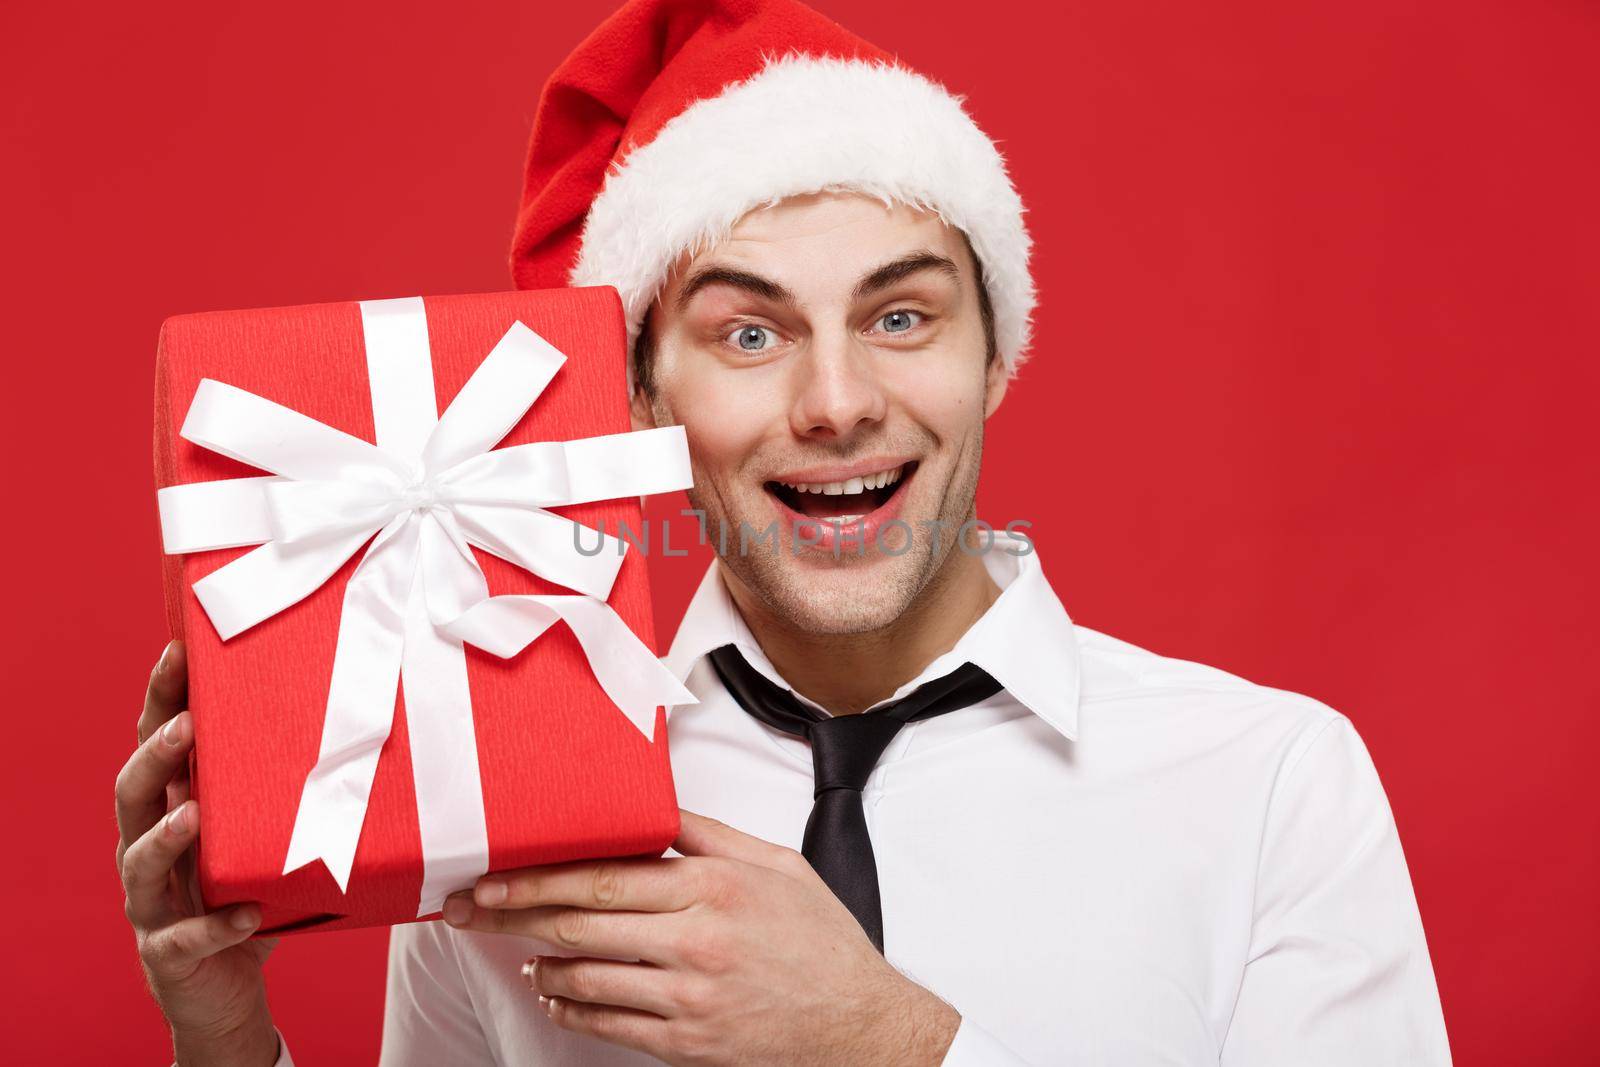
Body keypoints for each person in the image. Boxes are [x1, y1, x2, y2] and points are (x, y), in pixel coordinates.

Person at [115, 0, 1453, 1063]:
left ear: (996, 359)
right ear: (640, 397)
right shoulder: (504, 804)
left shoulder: (1269, 784)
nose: (836, 403)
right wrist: (227, 1044)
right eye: (748, 334)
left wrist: (885, 1043)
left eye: (903, 317)